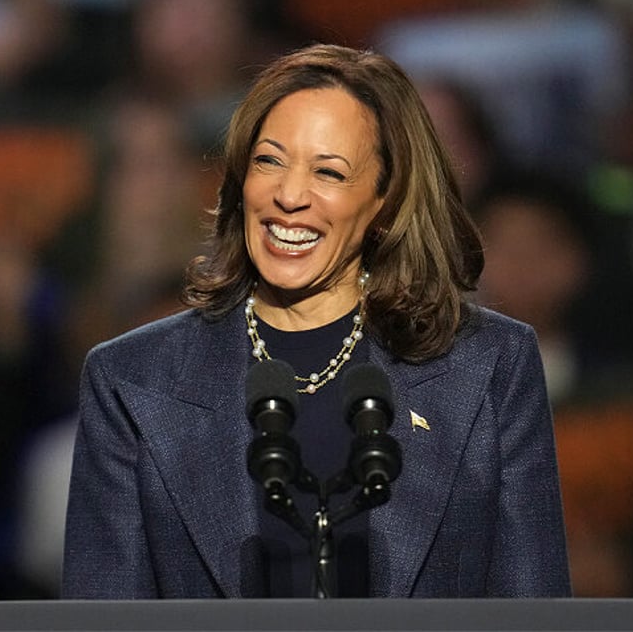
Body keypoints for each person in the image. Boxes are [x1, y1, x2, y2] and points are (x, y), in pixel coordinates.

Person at [62, 43, 571, 599]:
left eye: (328, 172)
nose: (289, 196)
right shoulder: (132, 379)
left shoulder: (489, 365)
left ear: (386, 200)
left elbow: (534, 606)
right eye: (269, 161)